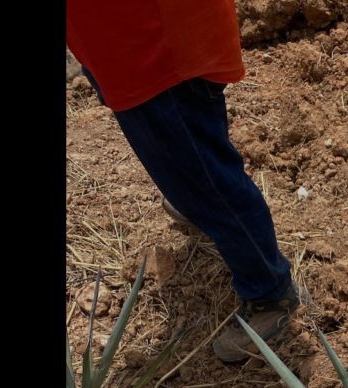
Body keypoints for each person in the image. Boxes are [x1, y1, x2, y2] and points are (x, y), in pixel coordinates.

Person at [66, 0, 301, 363]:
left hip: (154, 55)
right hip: (129, 49)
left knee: (211, 184)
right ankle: (196, 203)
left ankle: (270, 292)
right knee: (190, 160)